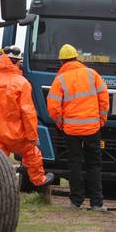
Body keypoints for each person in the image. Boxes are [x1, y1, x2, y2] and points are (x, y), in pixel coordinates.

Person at [47, 44, 110, 211]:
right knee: (94, 165)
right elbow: (104, 99)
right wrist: (101, 119)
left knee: (75, 163)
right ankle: (96, 203)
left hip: (71, 130)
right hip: (92, 128)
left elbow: (53, 106)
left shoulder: (60, 79)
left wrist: (61, 123)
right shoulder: (92, 74)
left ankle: (76, 202)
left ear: (61, 61)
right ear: (77, 59)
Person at [0, 46, 54, 193]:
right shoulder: (22, 83)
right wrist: (32, 136)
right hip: (16, 132)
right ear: (15, 62)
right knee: (32, 153)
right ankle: (40, 182)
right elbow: (28, 112)